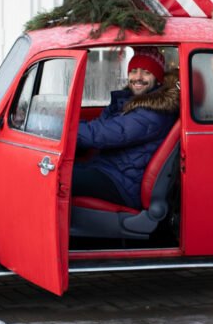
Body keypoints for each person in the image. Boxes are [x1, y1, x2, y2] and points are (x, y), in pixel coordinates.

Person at [73, 48, 179, 210]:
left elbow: (102, 134)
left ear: (157, 79)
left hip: (123, 182)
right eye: (134, 71)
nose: (138, 77)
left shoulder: (154, 112)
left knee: (57, 177)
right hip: (109, 169)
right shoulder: (128, 102)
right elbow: (102, 125)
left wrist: (64, 130)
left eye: (146, 72)